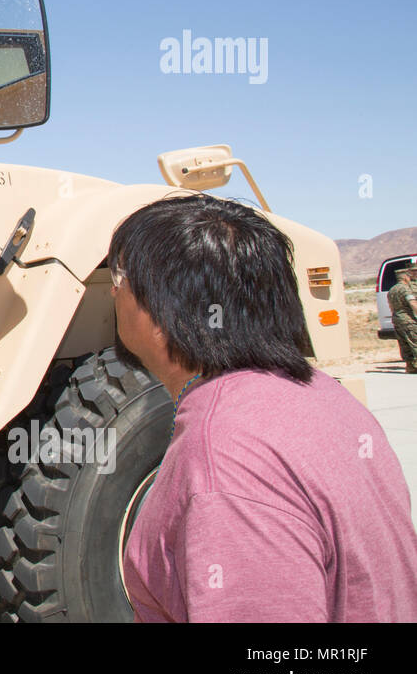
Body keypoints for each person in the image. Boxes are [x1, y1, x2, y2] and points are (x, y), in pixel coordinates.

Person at [111, 194, 417, 622]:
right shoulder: (321, 394)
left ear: (162, 310)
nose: (112, 290)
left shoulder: (225, 459)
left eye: (120, 275)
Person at [387, 264, 417, 373]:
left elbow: (390, 306)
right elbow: (412, 303)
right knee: (415, 342)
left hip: (397, 320)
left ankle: (410, 367)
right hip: (408, 320)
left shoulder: (392, 290)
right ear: (405, 277)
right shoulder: (405, 289)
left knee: (404, 344)